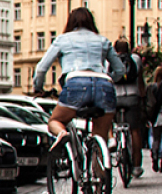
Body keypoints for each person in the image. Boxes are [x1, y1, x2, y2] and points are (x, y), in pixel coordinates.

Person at [32, 8, 125, 152]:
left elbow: (41, 68)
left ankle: (62, 134)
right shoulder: (102, 40)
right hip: (104, 85)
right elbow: (120, 70)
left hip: (76, 84)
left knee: (55, 121)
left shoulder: (63, 39)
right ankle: (100, 169)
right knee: (100, 140)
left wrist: (38, 87)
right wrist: (109, 79)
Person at [112, 39, 145, 177]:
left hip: (115, 98)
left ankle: (114, 143)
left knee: (111, 125)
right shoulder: (135, 59)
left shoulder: (110, 60)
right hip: (132, 96)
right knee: (135, 130)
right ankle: (137, 167)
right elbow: (140, 79)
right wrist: (142, 97)